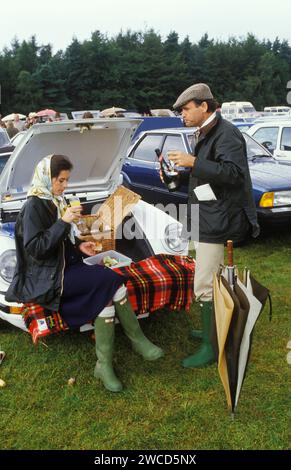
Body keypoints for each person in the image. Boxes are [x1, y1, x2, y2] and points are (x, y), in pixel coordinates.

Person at [5, 154, 163, 392]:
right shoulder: (33, 206)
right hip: (50, 278)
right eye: (60, 181)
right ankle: (137, 340)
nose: (64, 186)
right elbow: (36, 249)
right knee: (112, 280)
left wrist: (78, 246)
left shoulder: (54, 201)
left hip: (67, 266)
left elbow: (59, 243)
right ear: (47, 179)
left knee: (106, 298)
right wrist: (63, 222)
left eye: (67, 180)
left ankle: (104, 365)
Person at [167, 83, 259, 368]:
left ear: (203, 106)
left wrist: (193, 162)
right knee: (210, 278)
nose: (182, 114)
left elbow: (233, 175)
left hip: (218, 220)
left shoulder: (226, 133)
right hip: (207, 215)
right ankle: (212, 328)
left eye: (186, 109)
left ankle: (211, 345)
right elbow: (209, 175)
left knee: (204, 283)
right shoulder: (208, 132)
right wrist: (180, 177)